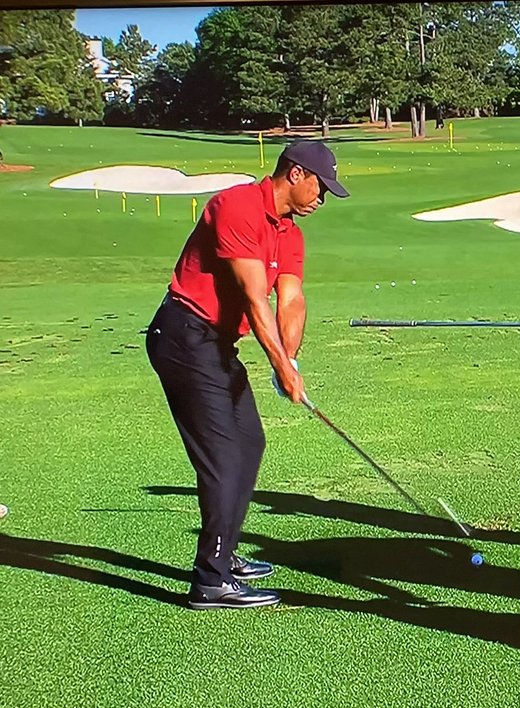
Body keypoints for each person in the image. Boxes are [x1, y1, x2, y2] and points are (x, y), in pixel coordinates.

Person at [146, 140, 349, 609]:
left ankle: (226, 554)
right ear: (296, 174)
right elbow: (255, 298)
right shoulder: (235, 206)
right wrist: (278, 363)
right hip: (183, 336)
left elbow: (290, 299)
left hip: (215, 345)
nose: (322, 198)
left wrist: (290, 359)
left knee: (249, 441)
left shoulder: (290, 234)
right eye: (321, 187)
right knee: (224, 457)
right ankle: (210, 580)